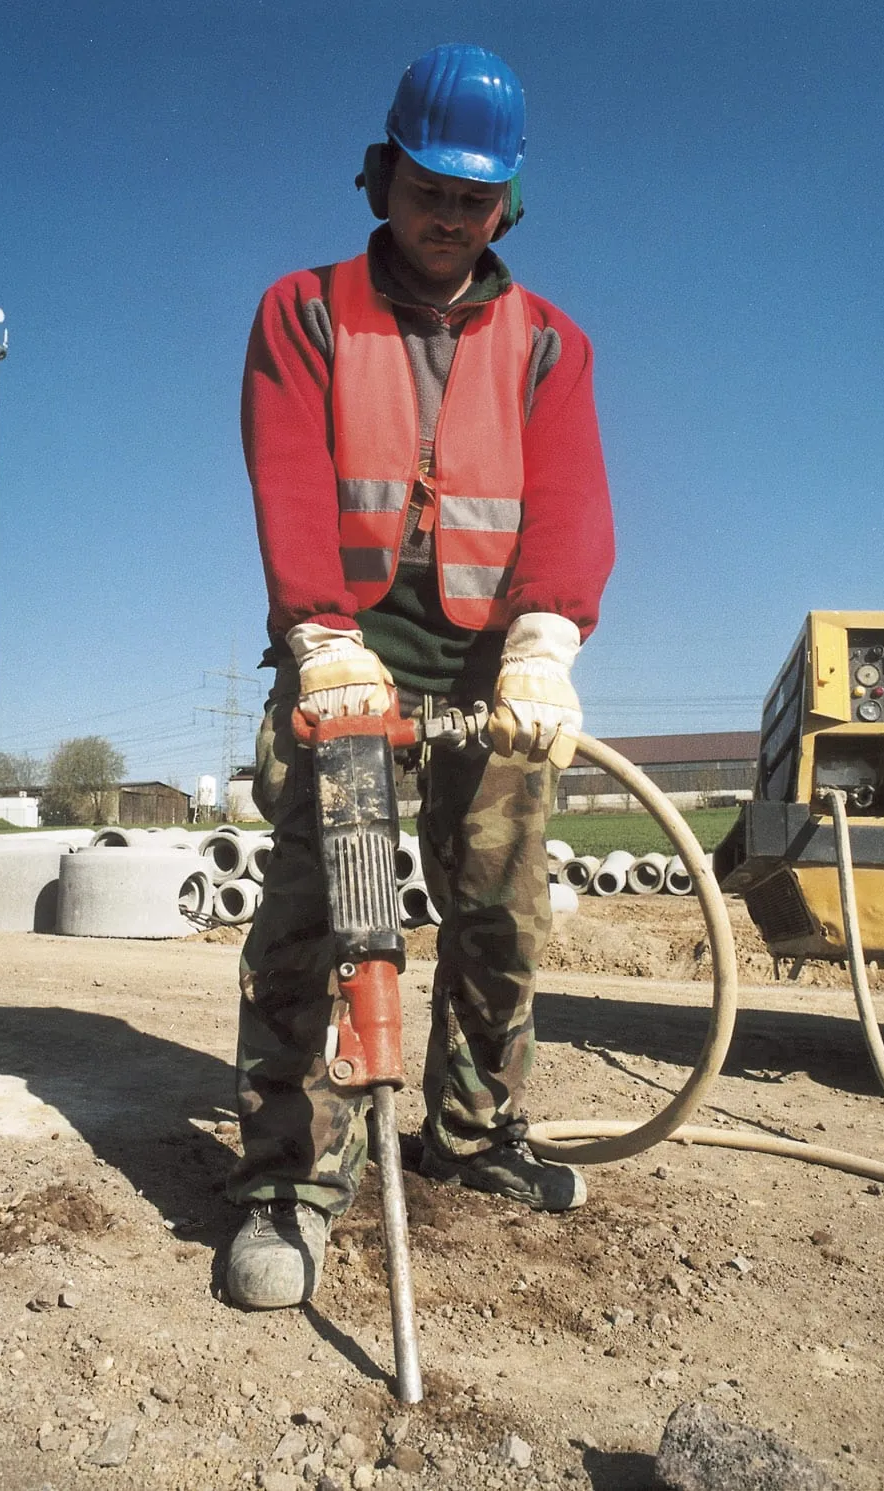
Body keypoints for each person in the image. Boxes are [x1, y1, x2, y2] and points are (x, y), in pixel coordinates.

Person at [227, 43, 615, 1310]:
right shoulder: (303, 309)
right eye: (430, 187)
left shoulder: (552, 343)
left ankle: (469, 1131)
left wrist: (547, 641)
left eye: (476, 196)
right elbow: (287, 470)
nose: (450, 217)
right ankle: (292, 1177)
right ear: (384, 175)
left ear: (508, 201)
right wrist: (319, 640)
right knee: (321, 917)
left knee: (500, 914)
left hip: (489, 661)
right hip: (347, 653)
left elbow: (566, 502)